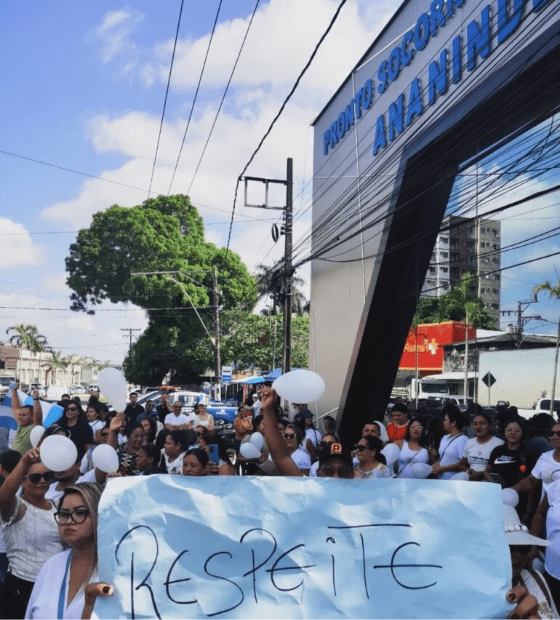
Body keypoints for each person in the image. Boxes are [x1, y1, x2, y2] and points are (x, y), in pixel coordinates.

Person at [0, 448, 63, 620]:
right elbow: (3, 497)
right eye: (35, 477)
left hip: (53, 584)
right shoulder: (17, 507)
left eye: (47, 476)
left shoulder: (58, 506)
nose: (42, 481)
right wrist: (24, 462)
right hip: (21, 587)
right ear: (21, 481)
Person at [24, 483, 103, 620]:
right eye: (63, 514)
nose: (69, 521)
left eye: (80, 513)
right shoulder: (52, 565)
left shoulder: (114, 568)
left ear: (98, 514)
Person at [504, 501, 559, 620]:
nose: (517, 555)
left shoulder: (536, 577)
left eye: (523, 547)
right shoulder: (480, 593)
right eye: (510, 548)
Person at [461, 412, 504, 481]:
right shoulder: (469, 442)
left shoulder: (499, 443)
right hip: (470, 479)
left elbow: (501, 469)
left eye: (482, 423)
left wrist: (480, 474)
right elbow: (462, 464)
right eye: (475, 424)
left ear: (490, 426)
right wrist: (468, 471)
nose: (478, 427)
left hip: (489, 480)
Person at [431, 404, 468, 479]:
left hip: (454, 479)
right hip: (441, 478)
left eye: (445, 420)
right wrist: (437, 463)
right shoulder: (444, 438)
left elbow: (463, 463)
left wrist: (443, 469)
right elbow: (442, 457)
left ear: (453, 423)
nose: (443, 422)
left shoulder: (463, 440)